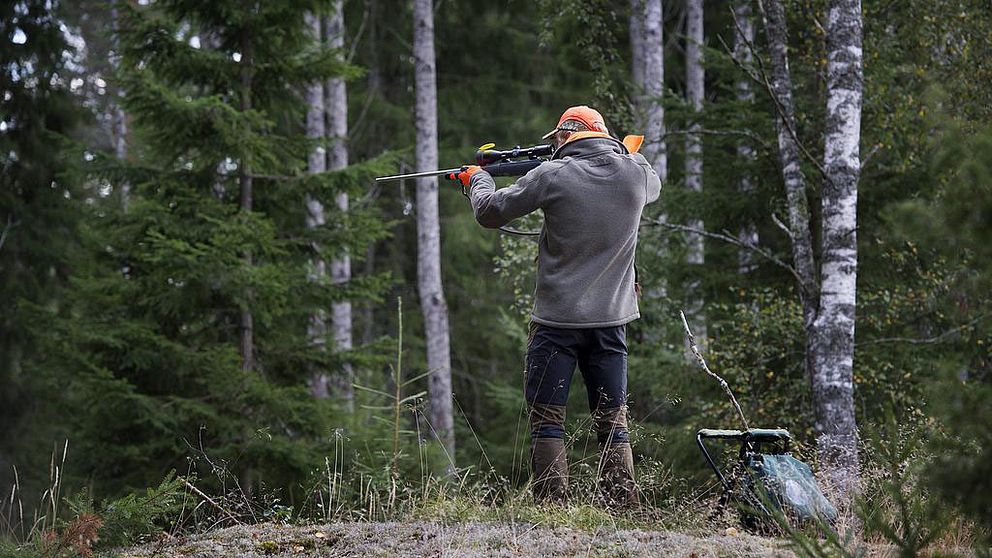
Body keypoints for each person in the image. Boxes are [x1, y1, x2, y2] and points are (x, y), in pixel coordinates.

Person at [452, 106, 662, 506]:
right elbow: (646, 169)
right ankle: (623, 506)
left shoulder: (552, 175)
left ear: (566, 135)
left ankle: (553, 508)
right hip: (612, 322)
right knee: (612, 420)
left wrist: (477, 179)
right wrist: (623, 149)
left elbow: (490, 212)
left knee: (548, 420)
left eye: (558, 139)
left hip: (556, 323)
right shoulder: (636, 175)